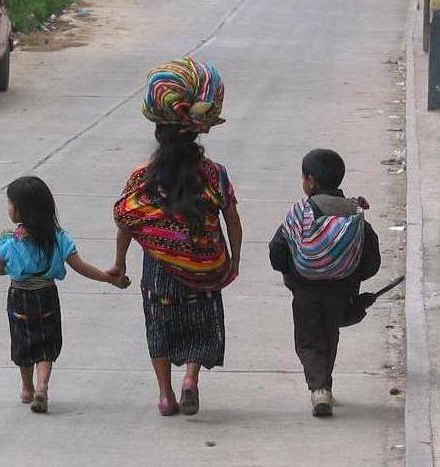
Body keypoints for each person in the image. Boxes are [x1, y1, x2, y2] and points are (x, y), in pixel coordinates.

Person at [110, 57, 243, 417]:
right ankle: (191, 379)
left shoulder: (142, 177)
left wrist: (120, 263)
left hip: (158, 273)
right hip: (203, 266)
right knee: (200, 323)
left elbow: (125, 220)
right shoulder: (214, 174)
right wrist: (232, 262)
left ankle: (165, 394)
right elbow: (232, 220)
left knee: (160, 327)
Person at [0, 176, 130, 413]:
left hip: (20, 296)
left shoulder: (8, 238)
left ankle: (27, 388)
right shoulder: (58, 236)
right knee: (46, 342)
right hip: (46, 294)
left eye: (9, 203)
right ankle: (42, 386)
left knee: (23, 340)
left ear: (19, 210)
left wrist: (11, 267)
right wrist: (109, 278)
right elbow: (80, 266)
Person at [269, 149, 381, 417]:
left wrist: (290, 273)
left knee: (309, 339)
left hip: (304, 289)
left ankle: (319, 388)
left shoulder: (300, 213)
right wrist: (350, 276)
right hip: (341, 291)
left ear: (311, 180)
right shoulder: (354, 215)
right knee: (330, 335)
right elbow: (372, 260)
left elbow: (277, 251)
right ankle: (324, 384)